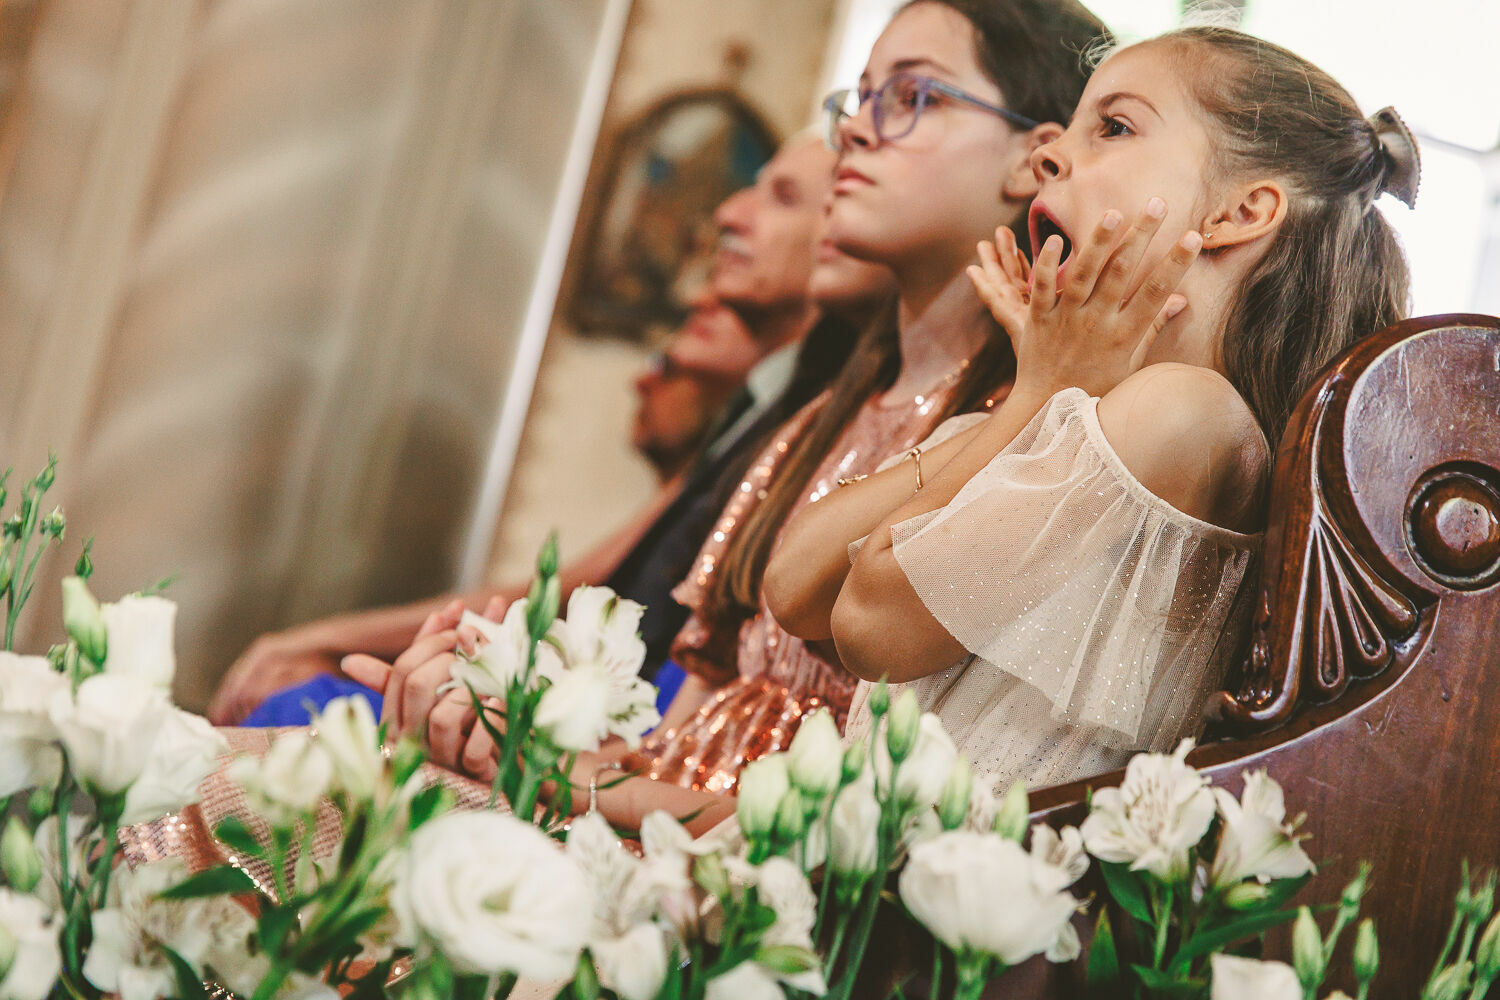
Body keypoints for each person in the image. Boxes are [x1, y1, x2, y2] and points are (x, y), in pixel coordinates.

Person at [368, 0, 1111, 834]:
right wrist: (504, 722)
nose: (858, 133)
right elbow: (675, 733)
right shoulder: (817, 425)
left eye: (913, 98)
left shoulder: (1016, 444)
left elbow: (884, 829)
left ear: (1035, 161)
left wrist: (556, 779)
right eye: (859, 99)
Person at [765, 25, 1416, 798]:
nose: (1048, 154)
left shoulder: (1183, 415)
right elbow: (795, 587)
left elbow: (871, 627)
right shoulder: (1077, 404)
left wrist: (1038, 396)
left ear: (1241, 212)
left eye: (1114, 126)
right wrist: (1042, 392)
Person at [208, 133, 865, 725]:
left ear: (841, 232)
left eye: (781, 198)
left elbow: (591, 598)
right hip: (585, 704)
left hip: (622, 733)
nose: (728, 214)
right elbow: (592, 577)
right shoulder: (766, 403)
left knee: (296, 712)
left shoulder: (819, 420)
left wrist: (330, 646)